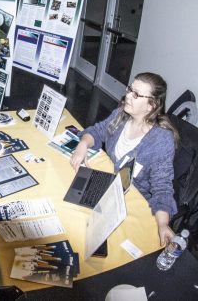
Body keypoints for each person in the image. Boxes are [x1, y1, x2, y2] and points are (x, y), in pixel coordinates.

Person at [70, 72, 179, 246]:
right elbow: (98, 131)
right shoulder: (122, 114)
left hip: (132, 200)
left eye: (136, 95)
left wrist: (163, 224)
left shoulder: (160, 140)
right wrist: (83, 144)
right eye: (130, 89)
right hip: (109, 185)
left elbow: (163, 187)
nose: (128, 95)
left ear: (151, 105)